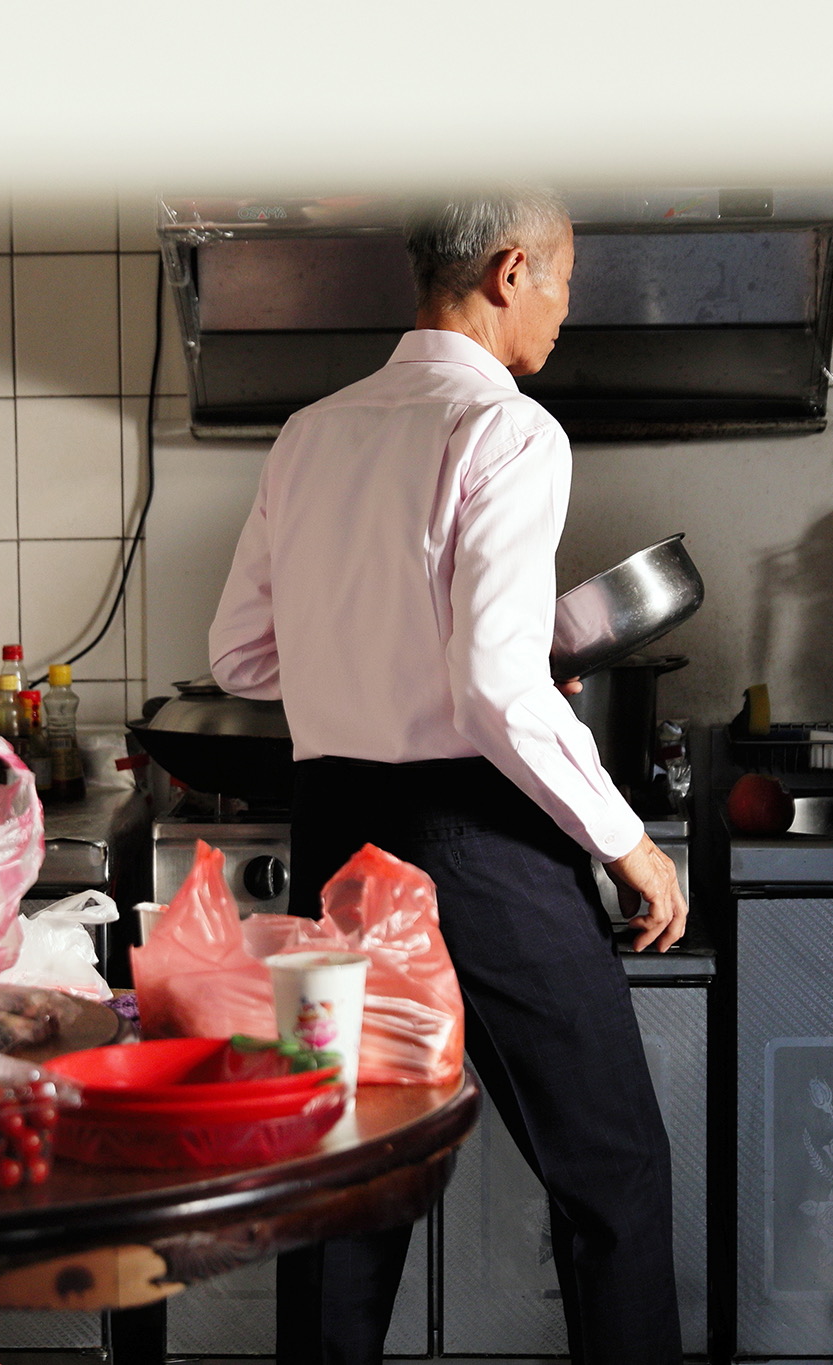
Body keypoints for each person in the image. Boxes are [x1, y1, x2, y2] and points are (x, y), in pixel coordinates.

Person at [209, 189, 689, 1365]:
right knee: (609, 1173)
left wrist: (375, 654)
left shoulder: (309, 432)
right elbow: (492, 684)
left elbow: (238, 655)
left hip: (337, 835)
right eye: (563, 283)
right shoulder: (508, 431)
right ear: (508, 272)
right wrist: (627, 844)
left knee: (348, 1183)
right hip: (476, 836)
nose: (563, 312)